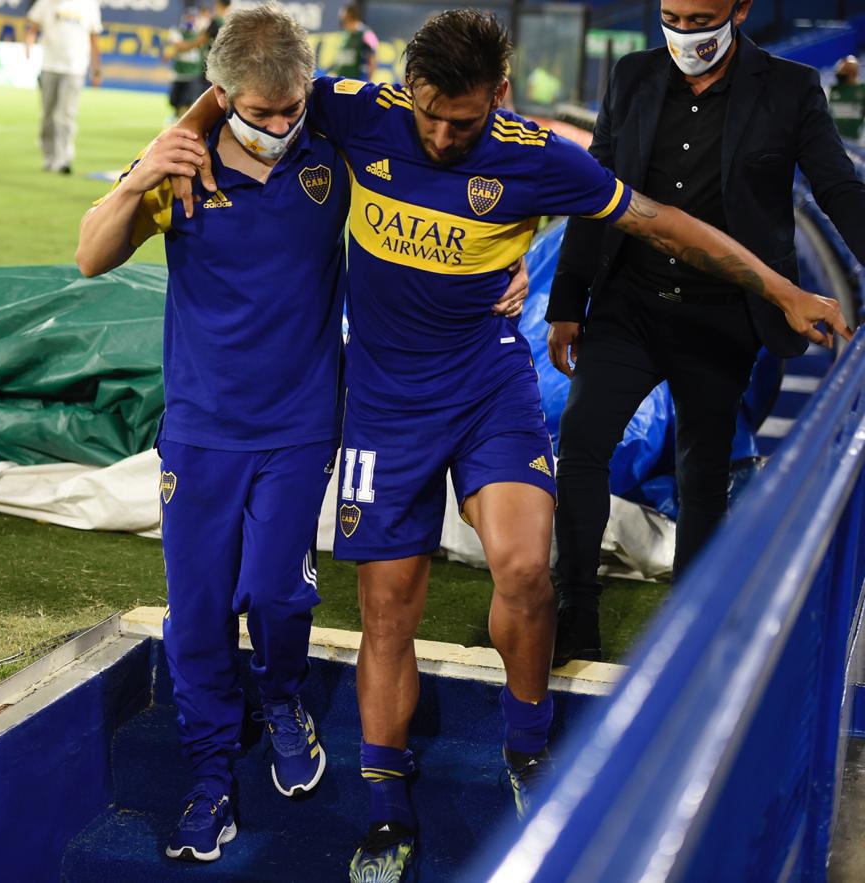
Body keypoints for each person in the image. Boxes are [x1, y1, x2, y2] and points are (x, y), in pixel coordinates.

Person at [174, 9, 850, 881]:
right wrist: (168, 147)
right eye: (429, 115)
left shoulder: (538, 158)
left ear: (499, 93)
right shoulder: (358, 109)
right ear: (407, 89)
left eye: (463, 121)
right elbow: (244, 93)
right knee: (388, 608)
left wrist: (778, 286)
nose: (442, 136)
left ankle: (527, 746)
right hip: (383, 405)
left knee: (528, 570)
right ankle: (385, 805)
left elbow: (662, 222)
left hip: (488, 387)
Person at [75, 5, 350, 864]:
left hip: (300, 424)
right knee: (196, 615)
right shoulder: (180, 166)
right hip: (200, 431)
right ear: (222, 95)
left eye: (291, 106)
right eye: (261, 112)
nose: (280, 124)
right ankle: (208, 775)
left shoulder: (332, 151)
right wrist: (136, 179)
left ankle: (282, 696)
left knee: (275, 593)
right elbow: (90, 255)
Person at [547, 0, 865, 668]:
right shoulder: (632, 76)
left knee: (704, 469)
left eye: (701, 20)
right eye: (673, 16)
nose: (685, 33)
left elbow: (838, 187)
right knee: (581, 442)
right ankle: (574, 610)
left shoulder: (788, 89)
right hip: (628, 305)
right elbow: (593, 191)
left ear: (741, 9)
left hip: (722, 314)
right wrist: (567, 301)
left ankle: (684, 630)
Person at [24, 0, 102, 174]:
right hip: (49, 66)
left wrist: (96, 68)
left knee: (67, 114)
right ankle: (49, 155)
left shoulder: (89, 5)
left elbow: (94, 38)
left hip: (75, 68)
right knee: (48, 114)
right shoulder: (46, 3)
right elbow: (33, 27)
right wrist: (28, 46)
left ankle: (64, 158)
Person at [165, 7, 209, 117]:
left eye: (193, 17)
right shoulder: (177, 31)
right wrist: (197, 42)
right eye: (189, 17)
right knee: (174, 101)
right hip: (178, 73)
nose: (190, 19)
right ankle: (177, 117)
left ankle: (182, 120)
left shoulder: (200, 32)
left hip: (193, 74)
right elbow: (180, 46)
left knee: (187, 102)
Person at [331, 3, 377, 81]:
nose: (340, 16)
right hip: (342, 80)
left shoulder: (367, 34)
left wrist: (368, 82)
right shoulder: (345, 34)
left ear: (349, 15)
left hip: (358, 81)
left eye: (343, 13)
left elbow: (372, 60)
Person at [829, 55, 865, 141]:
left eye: (844, 74)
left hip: (856, 141)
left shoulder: (862, 90)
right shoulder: (833, 90)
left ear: (852, 74)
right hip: (836, 139)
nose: (840, 76)